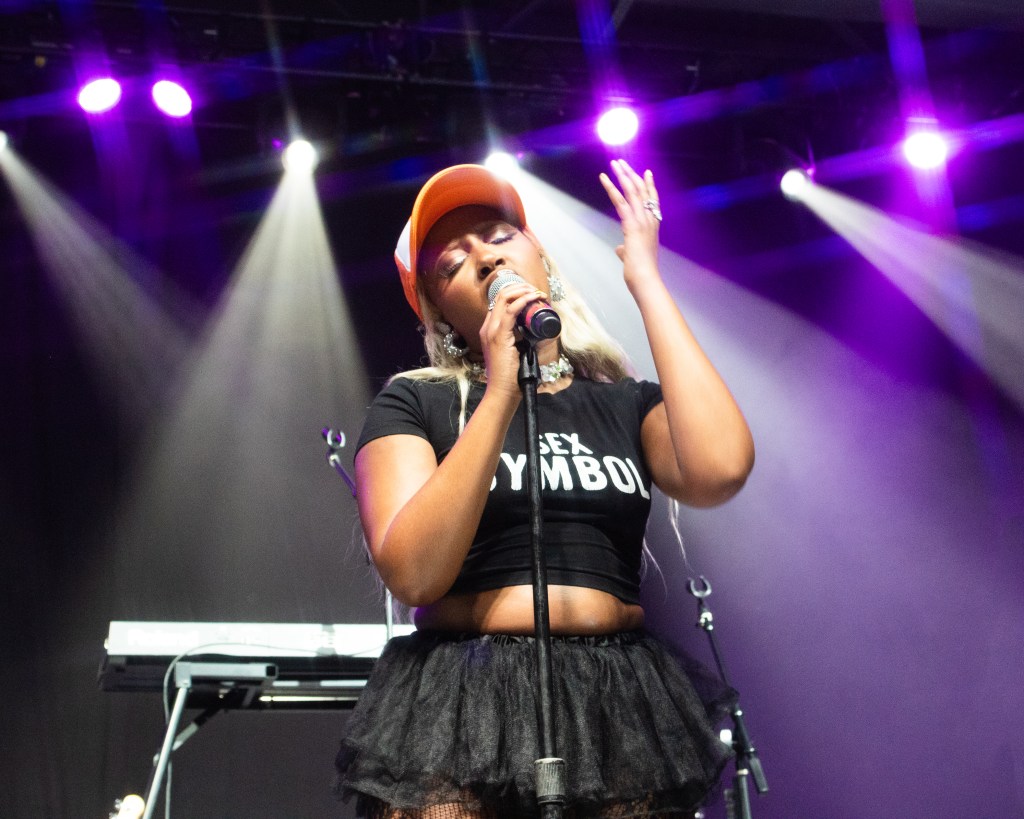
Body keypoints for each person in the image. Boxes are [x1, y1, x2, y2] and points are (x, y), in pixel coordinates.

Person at [335, 160, 755, 818]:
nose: (484, 258)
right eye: (452, 263)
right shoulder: (415, 402)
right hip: (463, 695)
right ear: (440, 315)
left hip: (617, 695)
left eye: (499, 236)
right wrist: (501, 389)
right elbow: (414, 573)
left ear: (543, 261)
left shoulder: (622, 403)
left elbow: (721, 468)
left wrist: (645, 280)